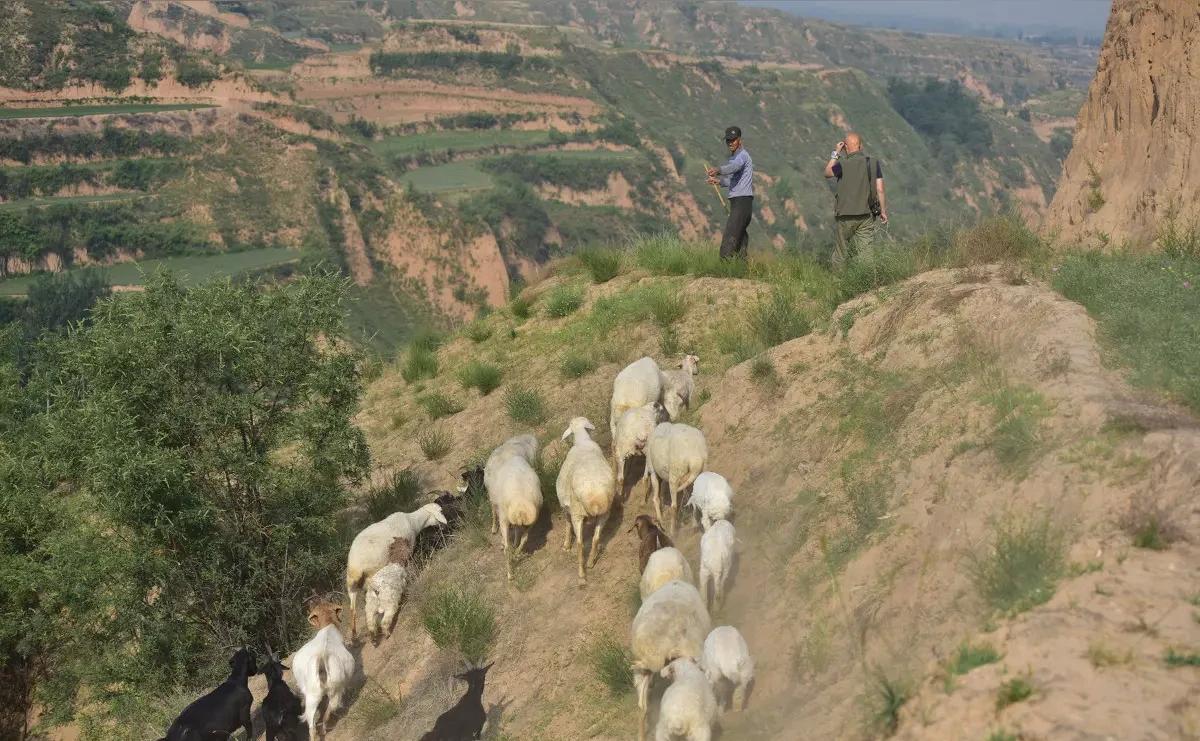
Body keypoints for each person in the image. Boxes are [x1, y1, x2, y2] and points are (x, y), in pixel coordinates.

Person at [823, 132, 888, 269]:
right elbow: (880, 189)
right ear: (861, 146)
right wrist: (883, 211)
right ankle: (866, 283)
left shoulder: (842, 165)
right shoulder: (873, 163)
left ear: (845, 147)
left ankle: (838, 285)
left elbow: (827, 173)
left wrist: (835, 152)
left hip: (845, 216)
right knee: (866, 254)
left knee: (841, 253)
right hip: (865, 215)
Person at [706, 126, 753, 260]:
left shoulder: (742, 156)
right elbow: (732, 180)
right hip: (739, 203)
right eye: (728, 141)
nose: (730, 143)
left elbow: (734, 167)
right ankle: (742, 268)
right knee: (739, 238)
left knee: (730, 236)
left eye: (733, 140)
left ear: (739, 140)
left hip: (742, 202)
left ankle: (725, 267)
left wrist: (718, 169)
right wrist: (718, 181)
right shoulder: (734, 158)